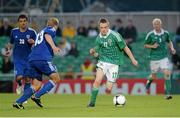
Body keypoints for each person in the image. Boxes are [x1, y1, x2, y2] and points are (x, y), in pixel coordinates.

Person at [87, 18, 138, 107]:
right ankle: (92, 103)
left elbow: (125, 47)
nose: (103, 29)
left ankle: (108, 85)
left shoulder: (115, 35)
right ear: (99, 27)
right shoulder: (98, 38)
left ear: (108, 26)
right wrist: (93, 52)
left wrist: (133, 59)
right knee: (97, 80)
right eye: (102, 27)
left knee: (109, 88)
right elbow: (96, 54)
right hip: (103, 61)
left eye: (105, 27)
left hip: (114, 64)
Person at [13, 17, 61, 109]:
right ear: (56, 25)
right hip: (42, 59)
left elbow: (39, 43)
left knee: (37, 85)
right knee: (56, 78)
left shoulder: (41, 32)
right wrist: (54, 47)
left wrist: (34, 42)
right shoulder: (50, 29)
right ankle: (37, 96)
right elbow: (47, 36)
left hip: (32, 59)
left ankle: (18, 102)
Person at [144, 18, 176, 100]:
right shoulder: (150, 34)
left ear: (161, 24)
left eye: (157, 24)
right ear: (153, 25)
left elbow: (169, 41)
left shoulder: (166, 33)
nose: (156, 25)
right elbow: (145, 45)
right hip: (154, 58)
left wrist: (172, 48)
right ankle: (149, 82)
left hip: (163, 57)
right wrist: (152, 46)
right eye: (155, 24)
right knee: (154, 76)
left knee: (167, 73)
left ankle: (168, 94)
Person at [7, 14, 36, 94]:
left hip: (28, 58)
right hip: (18, 58)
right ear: (18, 23)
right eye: (21, 21)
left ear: (27, 22)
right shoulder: (14, 31)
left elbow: (38, 44)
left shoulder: (32, 32)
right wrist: (9, 50)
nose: (23, 23)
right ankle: (19, 84)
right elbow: (10, 43)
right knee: (19, 77)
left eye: (24, 21)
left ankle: (24, 98)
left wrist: (33, 42)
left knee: (27, 79)